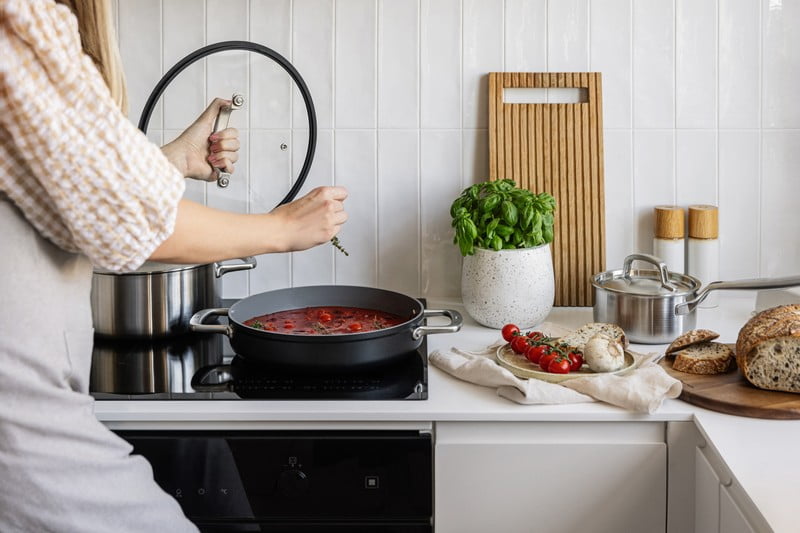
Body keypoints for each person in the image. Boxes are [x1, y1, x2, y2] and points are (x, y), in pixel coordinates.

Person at [0, 0, 348, 531]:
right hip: (21, 433)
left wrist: (173, 162)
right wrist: (281, 229)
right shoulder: (18, 22)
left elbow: (66, 184)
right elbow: (125, 214)